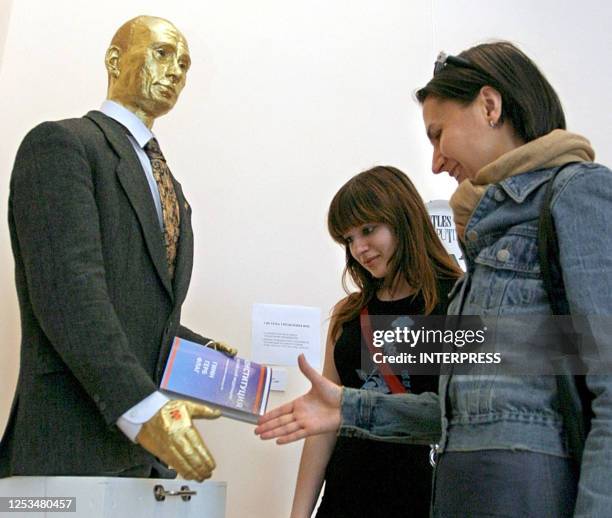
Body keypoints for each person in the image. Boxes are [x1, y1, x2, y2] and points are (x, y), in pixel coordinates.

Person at [256, 41, 612, 517]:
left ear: (490, 106)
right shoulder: (480, 250)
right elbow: (452, 415)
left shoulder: (576, 193)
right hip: (458, 492)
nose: (436, 161)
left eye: (438, 133)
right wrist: (348, 408)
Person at [0, 15, 235, 482]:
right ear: (114, 60)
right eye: (162, 53)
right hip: (67, 452)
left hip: (143, 466)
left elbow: (135, 306)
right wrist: (143, 410)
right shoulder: (62, 145)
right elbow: (69, 293)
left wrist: (201, 353)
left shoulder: (172, 188)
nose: (175, 72)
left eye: (185, 64)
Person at [290, 166, 461, 517]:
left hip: (427, 499)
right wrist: (298, 514)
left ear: (404, 219)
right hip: (346, 498)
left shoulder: (459, 301)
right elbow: (323, 424)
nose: (359, 249)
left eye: (369, 230)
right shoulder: (348, 315)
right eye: (348, 239)